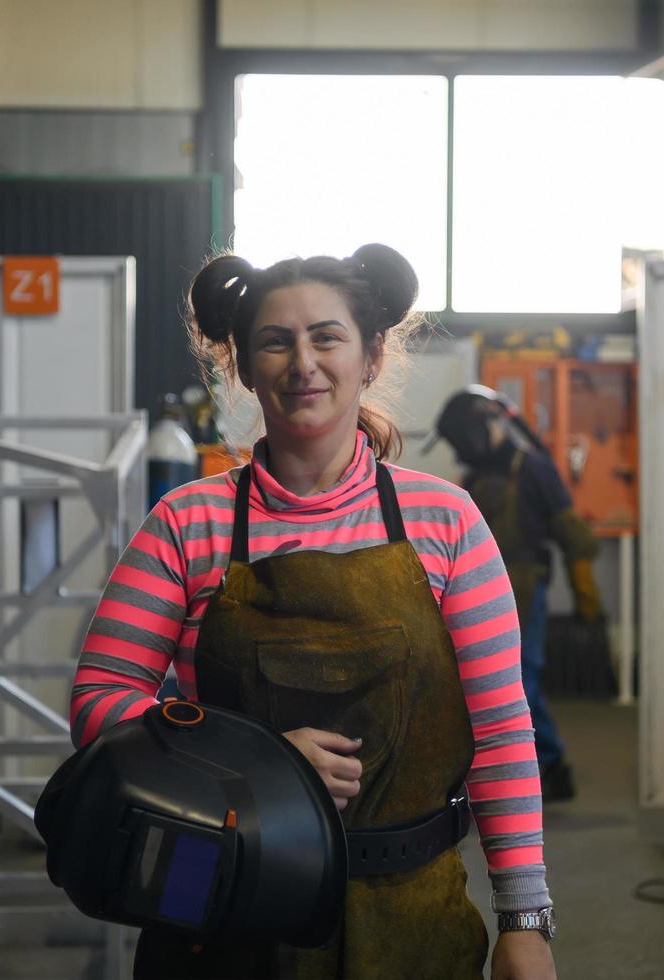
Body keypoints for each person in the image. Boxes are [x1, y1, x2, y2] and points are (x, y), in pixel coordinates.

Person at [69, 245, 556, 980]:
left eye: (326, 337)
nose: (304, 362)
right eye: (276, 341)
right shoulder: (187, 522)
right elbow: (96, 704)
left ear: (370, 356)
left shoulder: (445, 520)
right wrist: (254, 762)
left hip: (409, 916)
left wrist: (524, 918)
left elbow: (500, 729)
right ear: (243, 366)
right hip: (224, 906)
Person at [429, 386, 603, 802]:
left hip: (526, 592)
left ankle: (551, 764)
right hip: (472, 594)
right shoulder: (476, 476)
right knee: (477, 684)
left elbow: (575, 539)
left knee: (519, 683)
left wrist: (586, 596)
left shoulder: (535, 469)